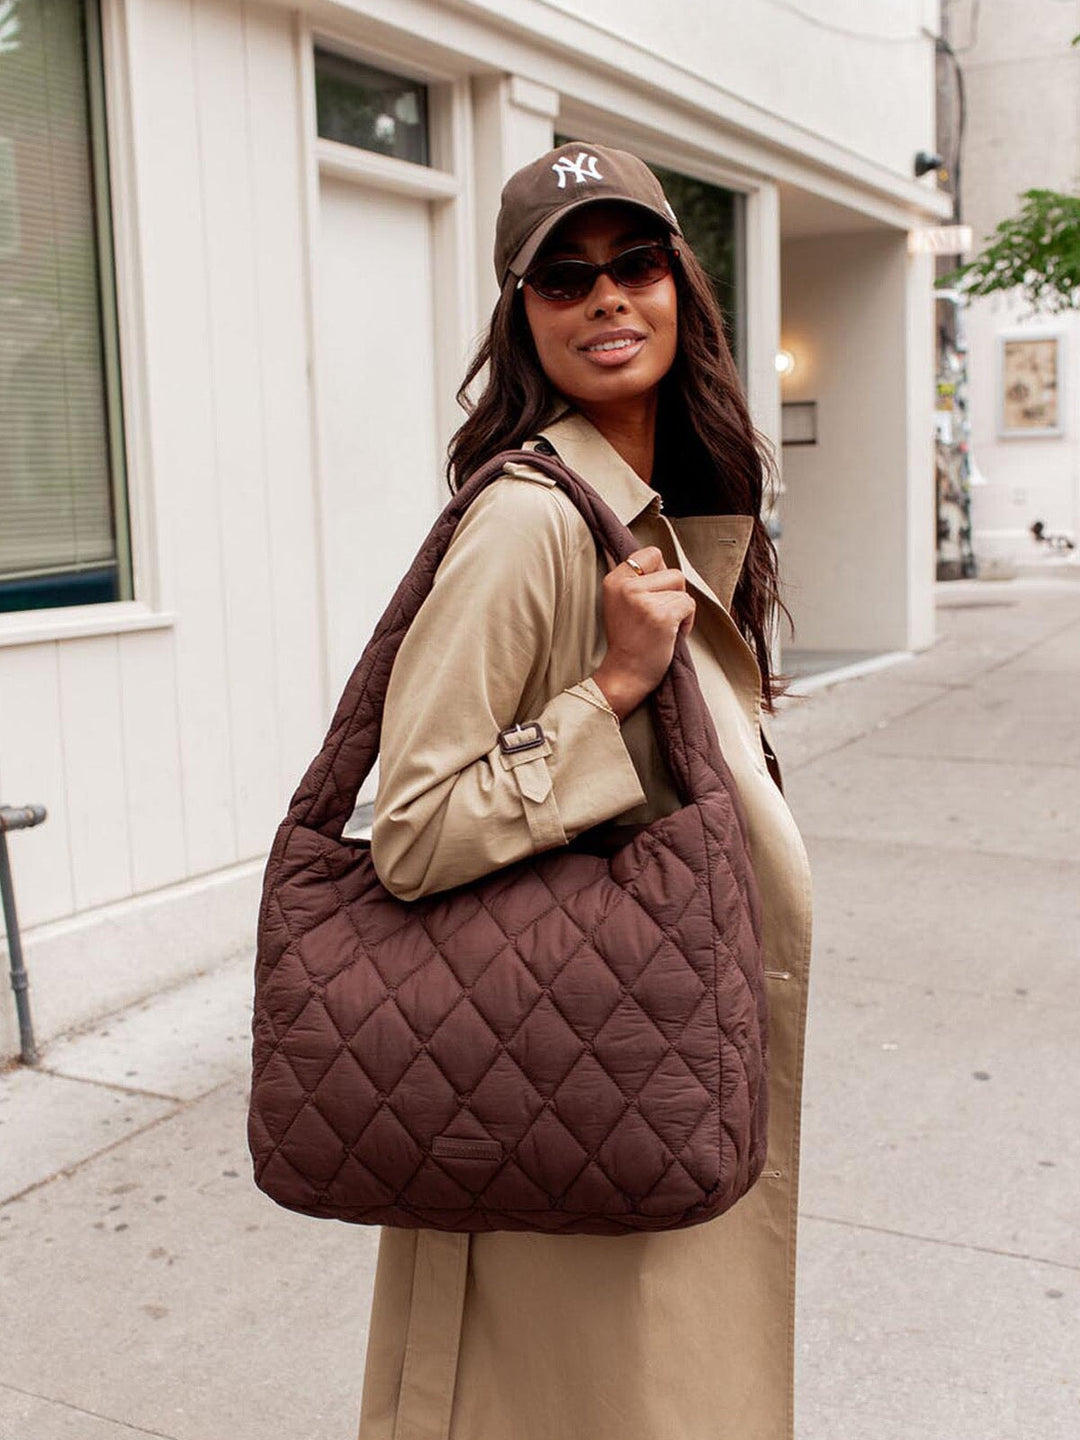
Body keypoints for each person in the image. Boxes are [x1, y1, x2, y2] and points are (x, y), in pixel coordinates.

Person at [357, 141, 812, 1440]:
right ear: (524, 318)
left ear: (683, 286)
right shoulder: (531, 522)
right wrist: (607, 691)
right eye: (564, 277)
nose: (605, 297)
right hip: (570, 1091)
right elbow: (417, 825)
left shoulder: (665, 511)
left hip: (646, 1079)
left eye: (634, 263)